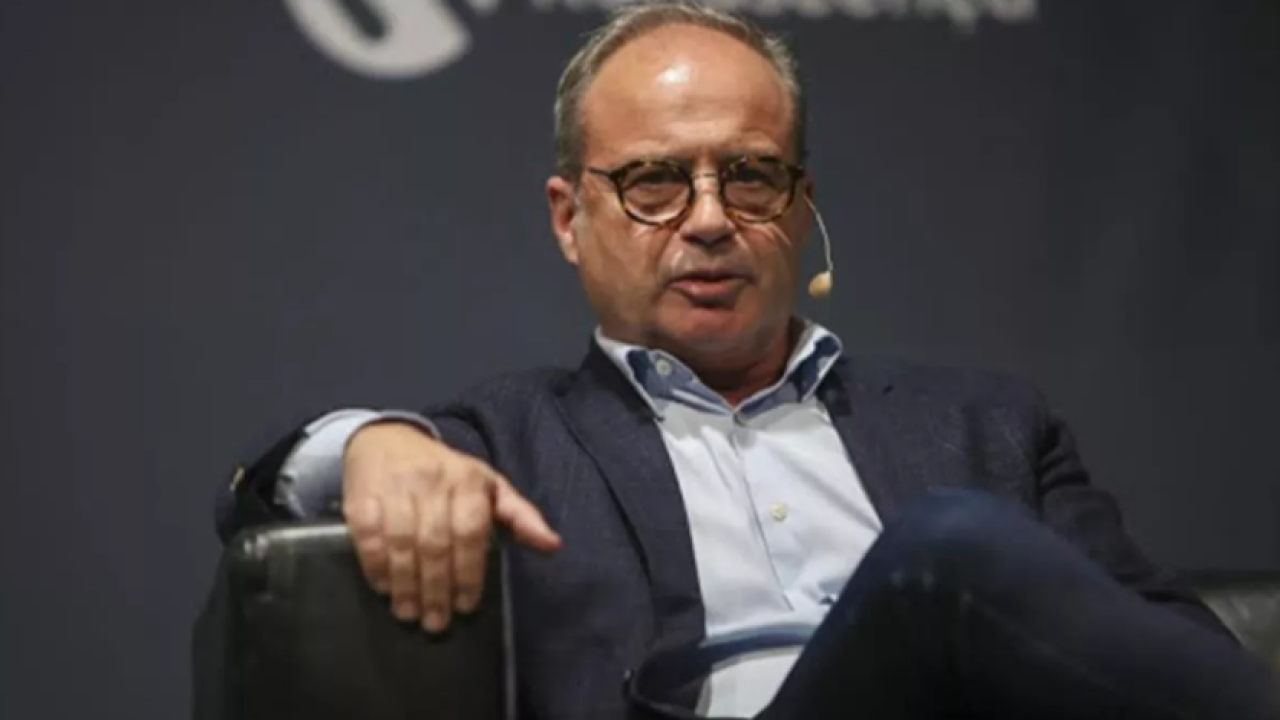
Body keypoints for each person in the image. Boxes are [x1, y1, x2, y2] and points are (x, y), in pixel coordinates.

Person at [216, 3, 1278, 719]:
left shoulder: (986, 426)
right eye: (653, 182)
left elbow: (1178, 660)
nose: (710, 220)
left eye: (752, 177)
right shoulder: (510, 442)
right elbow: (257, 496)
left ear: (801, 204)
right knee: (943, 553)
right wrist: (371, 442)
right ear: (570, 218)